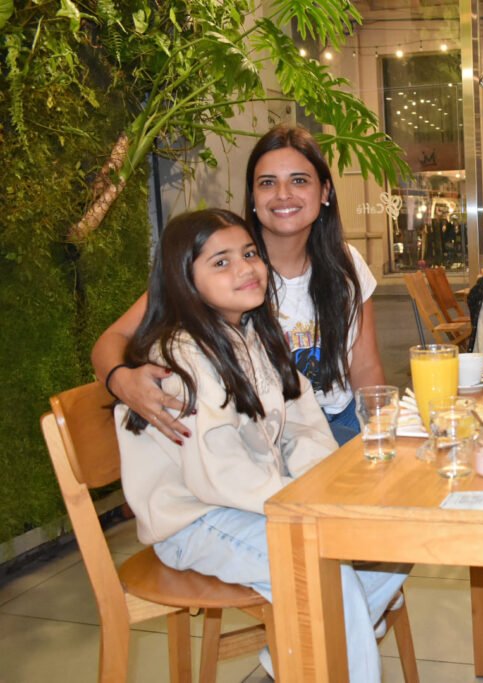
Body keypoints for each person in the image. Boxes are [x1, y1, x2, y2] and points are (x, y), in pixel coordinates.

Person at [113, 209, 407, 681]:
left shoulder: (254, 335)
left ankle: (299, 659)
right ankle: (323, 655)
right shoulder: (180, 358)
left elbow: (303, 424)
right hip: (196, 520)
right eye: (221, 262)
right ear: (183, 280)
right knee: (325, 571)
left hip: (252, 501)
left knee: (393, 539)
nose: (246, 268)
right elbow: (220, 475)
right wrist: (305, 508)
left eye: (249, 254)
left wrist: (325, 492)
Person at [92, 125, 385, 447]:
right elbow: (111, 339)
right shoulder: (226, 271)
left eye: (299, 180)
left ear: (325, 191)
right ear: (253, 196)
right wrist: (122, 380)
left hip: (342, 418)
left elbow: (366, 366)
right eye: (267, 183)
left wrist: (382, 433)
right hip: (265, 430)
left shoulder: (346, 263)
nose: (283, 194)